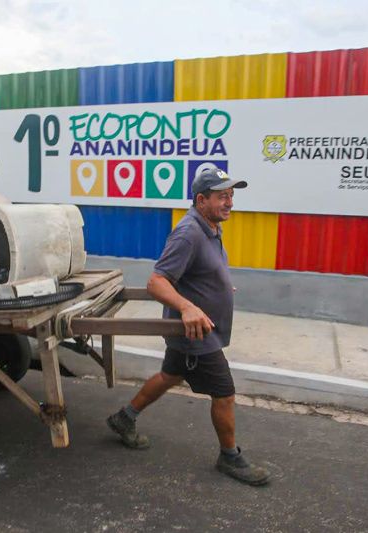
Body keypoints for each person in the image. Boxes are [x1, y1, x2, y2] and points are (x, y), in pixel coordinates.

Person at [107, 167, 270, 486]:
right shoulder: (189, 232)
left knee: (170, 376)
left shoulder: (210, 226)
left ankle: (124, 418)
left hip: (196, 332)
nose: (230, 202)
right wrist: (188, 307)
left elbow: (197, 272)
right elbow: (157, 282)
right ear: (201, 199)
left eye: (232, 195)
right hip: (198, 336)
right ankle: (230, 457)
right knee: (224, 394)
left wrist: (218, 287)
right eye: (222, 196)